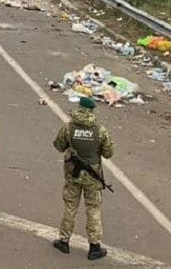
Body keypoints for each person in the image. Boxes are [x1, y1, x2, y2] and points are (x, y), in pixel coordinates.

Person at [53, 97, 114, 260]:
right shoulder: (100, 130)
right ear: (92, 111)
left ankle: (64, 241)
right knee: (93, 209)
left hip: (73, 174)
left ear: (79, 109)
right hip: (92, 177)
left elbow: (58, 145)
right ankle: (94, 247)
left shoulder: (68, 127)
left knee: (70, 207)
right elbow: (109, 153)